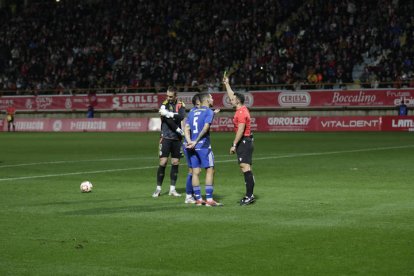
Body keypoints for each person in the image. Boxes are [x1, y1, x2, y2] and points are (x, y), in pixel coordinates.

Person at [223, 74, 256, 205]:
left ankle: (249, 196)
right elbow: (231, 95)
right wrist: (226, 84)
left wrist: (234, 144)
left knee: (245, 167)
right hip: (246, 141)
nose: (230, 99)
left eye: (233, 99)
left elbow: (241, 130)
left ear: (238, 101)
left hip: (244, 141)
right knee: (246, 167)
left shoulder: (241, 113)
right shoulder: (241, 108)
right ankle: (250, 194)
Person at [185, 92, 222, 206]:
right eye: (211, 98)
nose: (212, 99)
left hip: (190, 146)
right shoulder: (208, 111)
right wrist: (196, 141)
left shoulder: (192, 112)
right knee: (210, 170)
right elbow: (206, 127)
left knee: (195, 172)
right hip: (203, 146)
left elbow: (186, 128)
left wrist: (190, 141)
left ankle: (199, 199)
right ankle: (209, 200)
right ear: (206, 100)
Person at [152, 86, 186, 198]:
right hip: (166, 137)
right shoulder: (164, 104)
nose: (168, 98)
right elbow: (169, 121)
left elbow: (181, 116)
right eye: (167, 95)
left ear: (176, 96)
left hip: (177, 139)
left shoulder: (181, 104)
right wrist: (178, 129)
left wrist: (169, 114)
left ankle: (172, 189)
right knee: (163, 162)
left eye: (171, 96)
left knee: (175, 162)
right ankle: (158, 189)